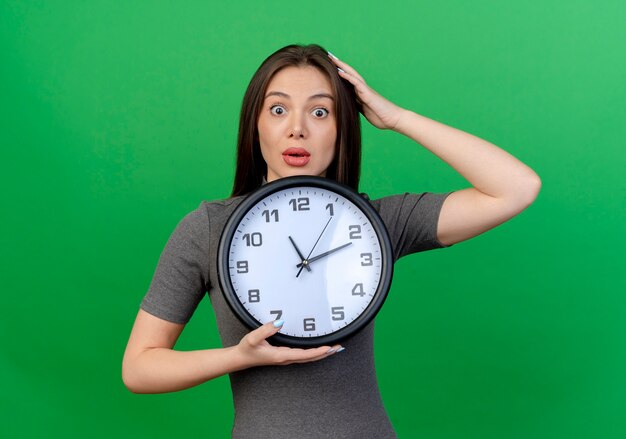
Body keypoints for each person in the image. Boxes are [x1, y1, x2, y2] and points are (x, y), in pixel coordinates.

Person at [122, 44, 541, 438]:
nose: (297, 129)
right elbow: (139, 368)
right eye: (279, 109)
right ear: (256, 124)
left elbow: (517, 187)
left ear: (343, 128)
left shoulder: (377, 223)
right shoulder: (209, 228)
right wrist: (239, 356)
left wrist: (396, 117)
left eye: (320, 112)